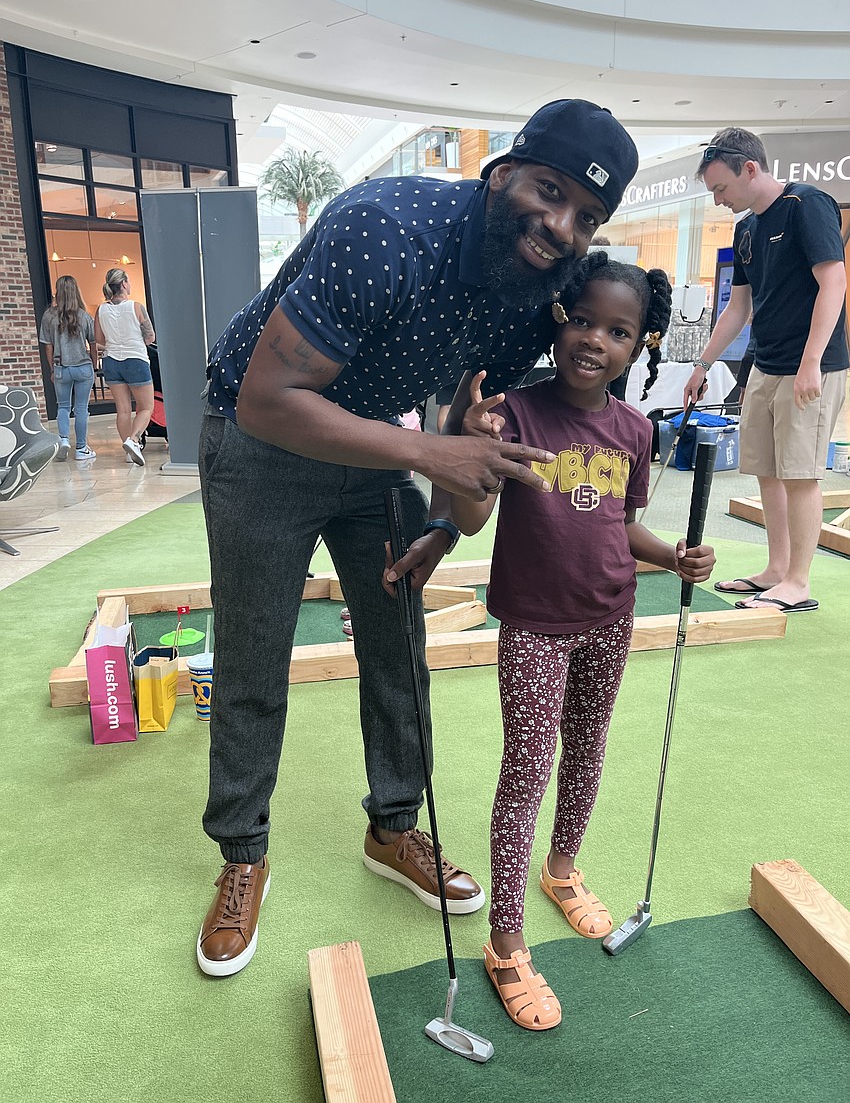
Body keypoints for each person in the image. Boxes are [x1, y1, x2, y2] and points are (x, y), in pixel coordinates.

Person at [196, 98, 640, 978]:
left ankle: (394, 828)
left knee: (398, 645)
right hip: (258, 439)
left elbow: (462, 425)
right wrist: (427, 446)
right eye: (549, 191)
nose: (560, 226)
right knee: (257, 649)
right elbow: (267, 399)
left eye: (586, 216)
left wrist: (440, 518)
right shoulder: (383, 230)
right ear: (502, 171)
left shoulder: (536, 294)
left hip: (369, 443)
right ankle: (242, 854)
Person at [447, 252, 715, 1029]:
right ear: (561, 317)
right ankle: (505, 941)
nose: (597, 339)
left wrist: (674, 555)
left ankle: (562, 870)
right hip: (533, 621)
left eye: (620, 331)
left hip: (611, 612)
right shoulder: (514, 413)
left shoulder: (634, 428)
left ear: (640, 346)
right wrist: (470, 451)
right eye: (586, 320)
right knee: (527, 768)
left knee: (588, 746)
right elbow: (471, 519)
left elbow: (622, 524)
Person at [684, 129, 848, 612]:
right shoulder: (746, 228)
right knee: (767, 470)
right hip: (766, 364)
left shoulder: (808, 205)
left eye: (721, 189)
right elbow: (738, 307)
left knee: (799, 473)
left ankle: (798, 583)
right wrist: (702, 365)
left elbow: (833, 281)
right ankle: (776, 570)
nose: (718, 200)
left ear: (749, 169)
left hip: (809, 364)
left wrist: (812, 361)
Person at [94, 268, 156, 466]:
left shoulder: (100, 310)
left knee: (122, 410)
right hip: (135, 360)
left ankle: (129, 451)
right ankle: (134, 440)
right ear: (123, 284)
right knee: (146, 407)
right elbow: (150, 337)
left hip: (112, 361)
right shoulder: (136, 307)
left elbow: (99, 339)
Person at [39, 276, 98, 461]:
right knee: (81, 409)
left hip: (61, 368)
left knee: (63, 407)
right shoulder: (84, 315)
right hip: (83, 367)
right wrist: (94, 366)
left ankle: (63, 440)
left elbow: (48, 346)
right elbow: (94, 343)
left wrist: (52, 369)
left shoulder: (49, 316)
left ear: (57, 291)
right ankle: (81, 448)